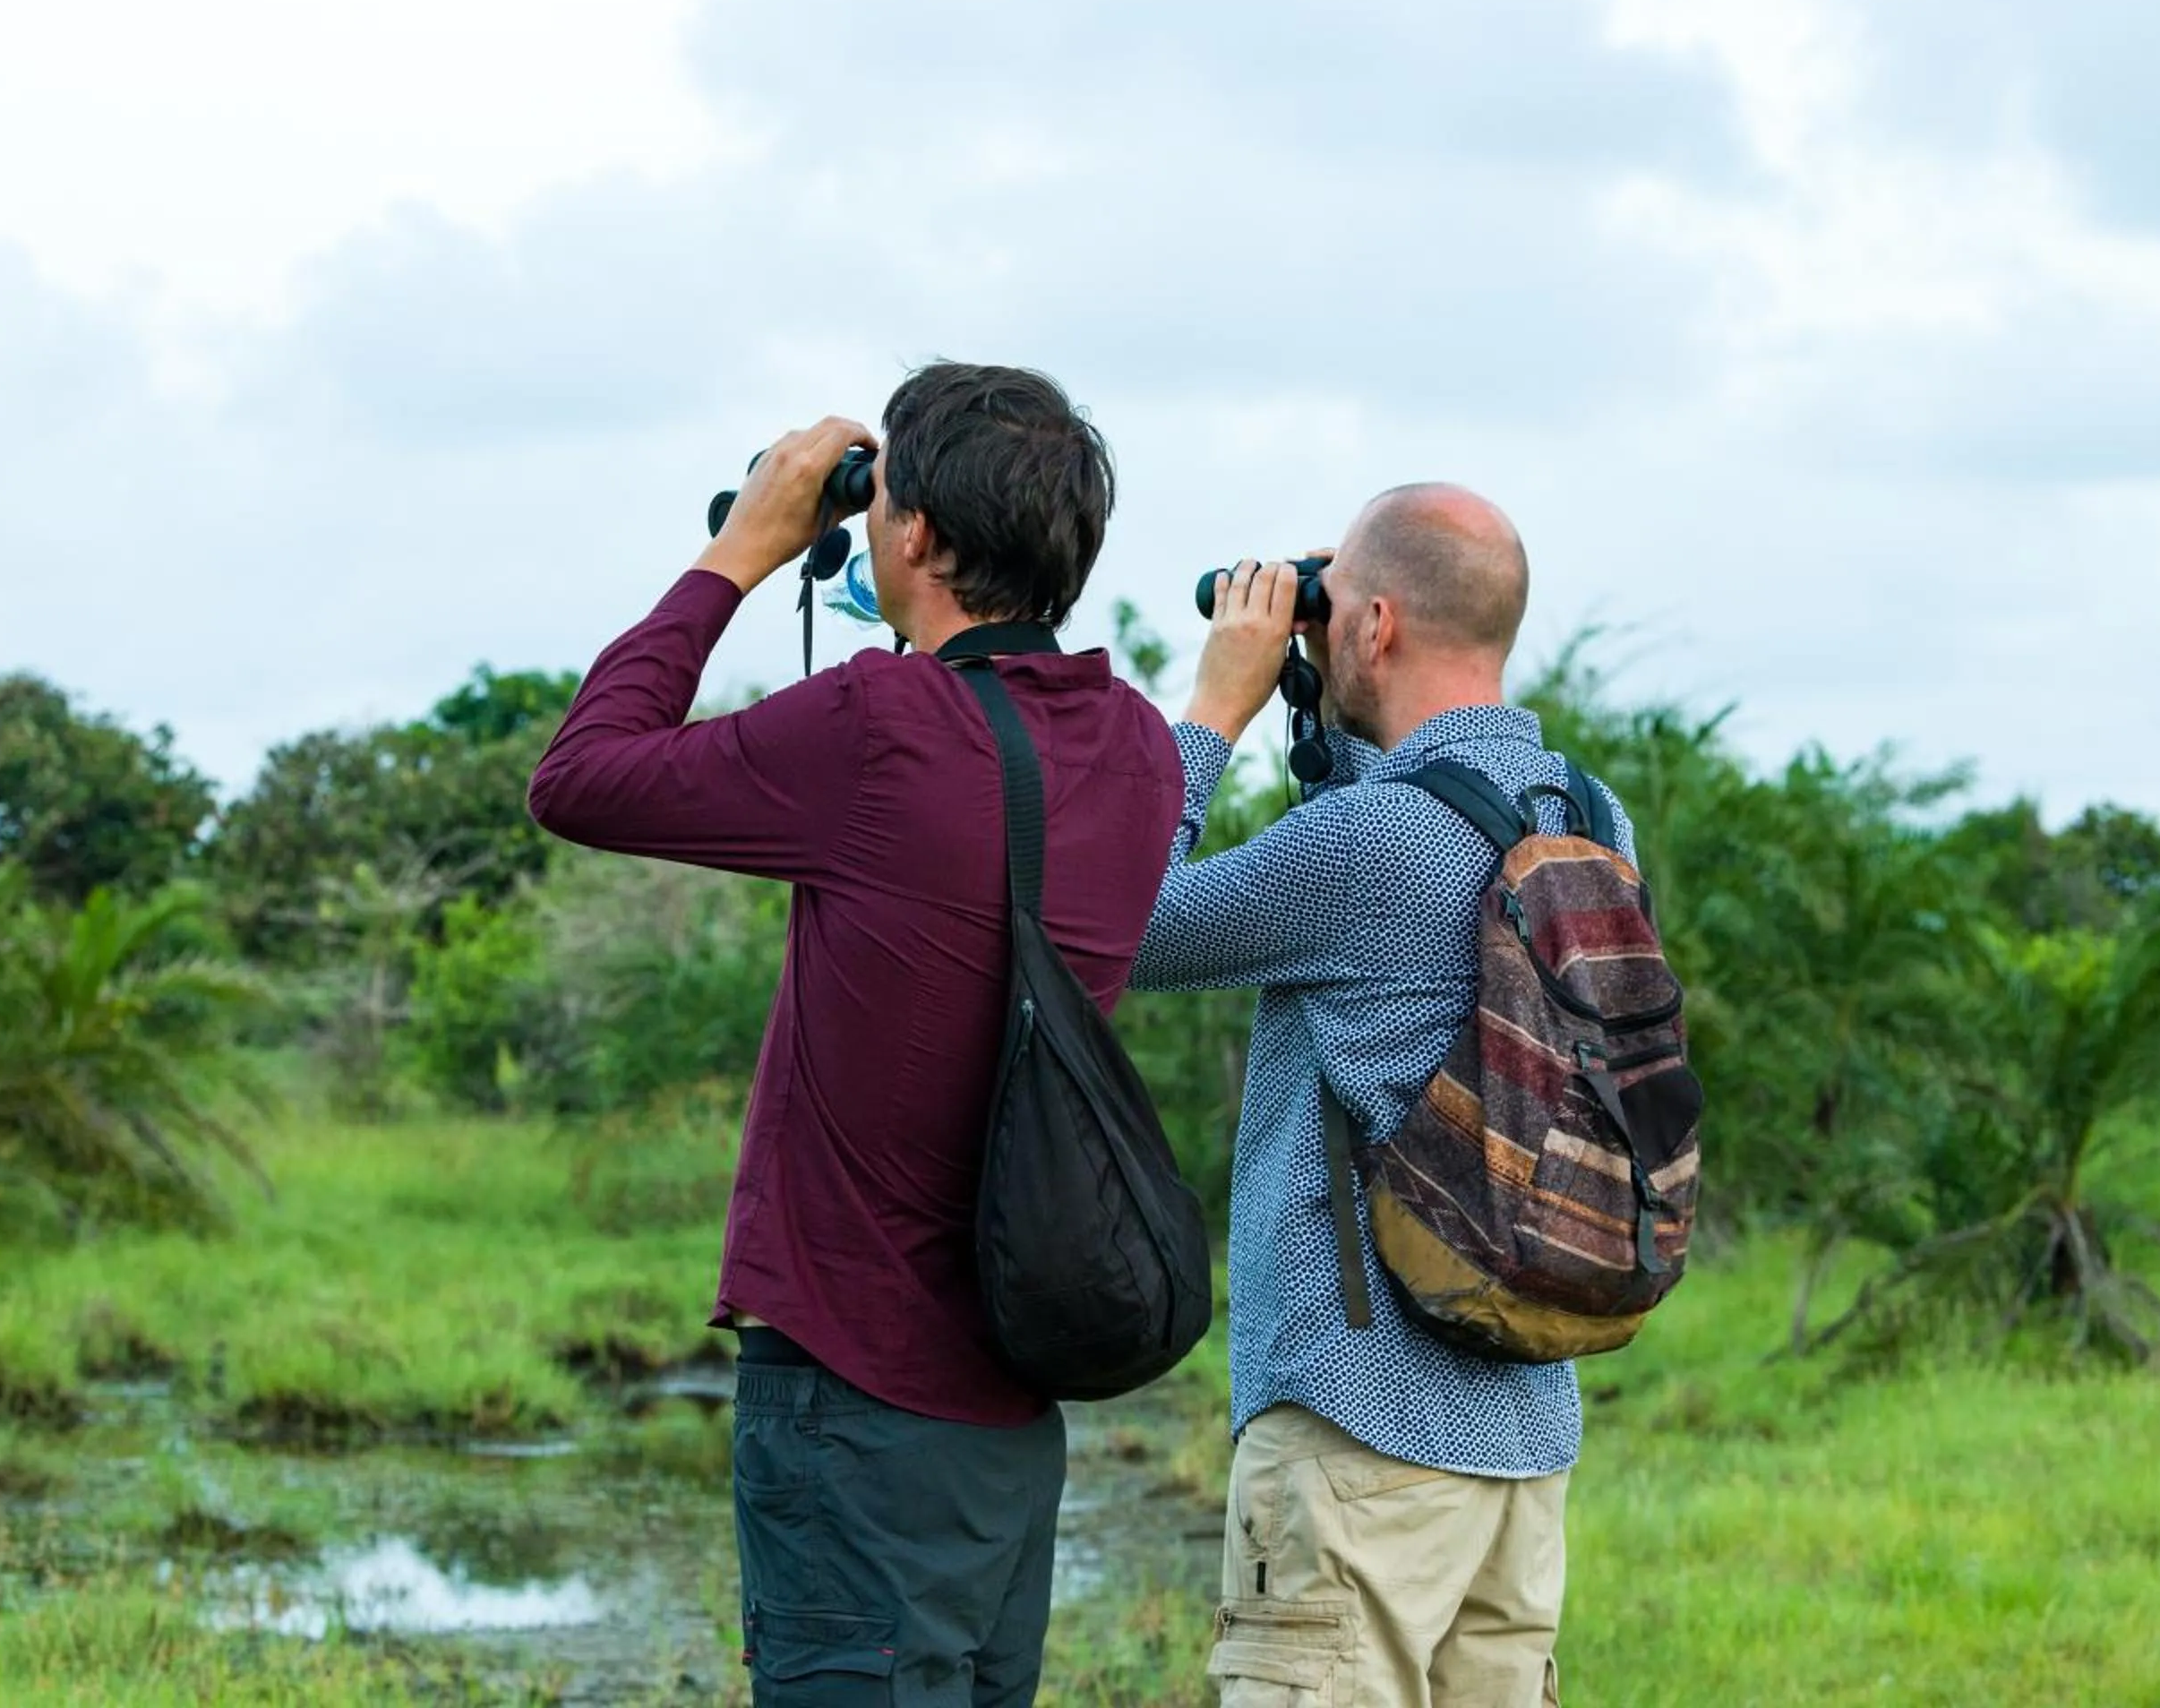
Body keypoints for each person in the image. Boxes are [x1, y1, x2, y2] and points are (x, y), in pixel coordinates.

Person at [527, 363, 1183, 1706]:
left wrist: (742, 552)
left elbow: (578, 777)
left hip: (855, 1402)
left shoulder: (880, 726)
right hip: (1013, 1408)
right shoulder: (1137, 749)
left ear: (920, 536)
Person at [1132, 485, 1635, 1708]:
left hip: (1360, 1440)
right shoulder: (1592, 819)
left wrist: (1215, 710)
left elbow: (1117, 926)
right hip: (1523, 1443)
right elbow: (1404, 853)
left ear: (1373, 626)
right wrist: (1336, 689)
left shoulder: (1364, 847)